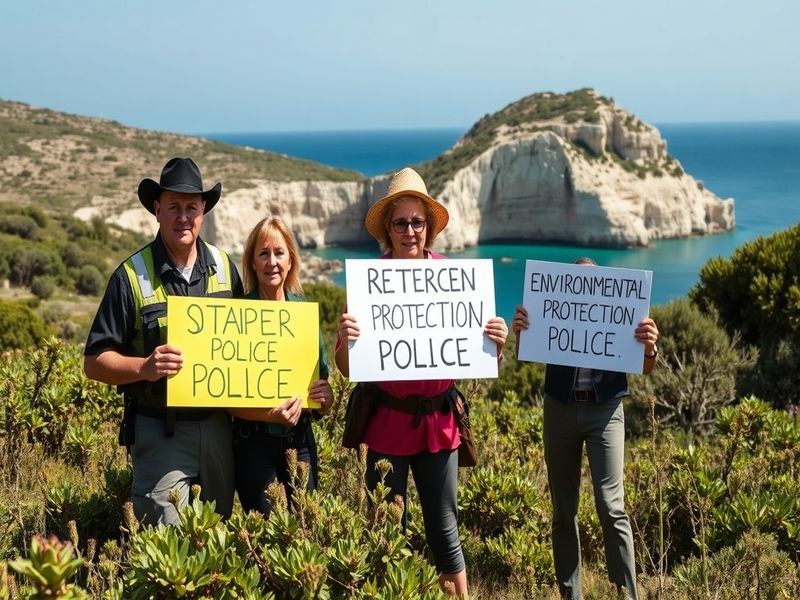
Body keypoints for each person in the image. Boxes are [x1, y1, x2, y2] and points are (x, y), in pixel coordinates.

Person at [335, 167, 508, 597]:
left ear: (427, 228)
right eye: (401, 223)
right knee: (384, 533)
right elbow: (345, 366)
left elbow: (477, 351)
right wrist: (344, 341)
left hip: (439, 425)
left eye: (417, 222)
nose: (410, 230)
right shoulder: (368, 284)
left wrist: (497, 342)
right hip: (387, 425)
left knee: (445, 531)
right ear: (388, 231)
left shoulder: (453, 276)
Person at [83, 157, 244, 526]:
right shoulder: (130, 275)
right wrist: (144, 367)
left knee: (218, 538)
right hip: (160, 429)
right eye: (174, 207)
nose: (183, 217)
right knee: (166, 541)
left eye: (191, 207)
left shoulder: (224, 267)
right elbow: (94, 362)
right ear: (157, 210)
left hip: (219, 429)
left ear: (204, 211)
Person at [511, 257, 660, 600]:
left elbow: (646, 367)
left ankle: (627, 595)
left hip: (605, 410)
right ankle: (570, 595)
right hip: (559, 409)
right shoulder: (554, 310)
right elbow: (526, 351)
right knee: (564, 510)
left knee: (612, 507)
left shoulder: (623, 314)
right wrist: (522, 329)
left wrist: (650, 345)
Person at [231, 216, 333, 516]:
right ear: (252, 262)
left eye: (279, 253)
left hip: (300, 440)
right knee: (265, 532)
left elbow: (321, 389)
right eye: (263, 253)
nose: (271, 262)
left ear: (291, 261)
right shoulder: (238, 314)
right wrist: (270, 414)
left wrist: (326, 401)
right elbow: (225, 400)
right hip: (252, 445)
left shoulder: (304, 313)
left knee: (306, 526)